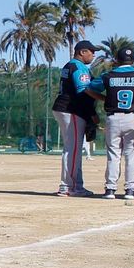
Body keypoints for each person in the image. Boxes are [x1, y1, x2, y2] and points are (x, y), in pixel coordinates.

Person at [88, 45, 134, 199]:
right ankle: (130, 189)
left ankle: (110, 189)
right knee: (132, 154)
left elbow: (90, 87)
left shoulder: (108, 75)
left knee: (113, 154)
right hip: (132, 117)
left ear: (117, 60)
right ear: (132, 59)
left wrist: (105, 98)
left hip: (113, 117)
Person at [51, 40, 100, 197]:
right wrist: (95, 109)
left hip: (65, 109)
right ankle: (68, 186)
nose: (93, 54)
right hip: (71, 110)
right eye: (91, 51)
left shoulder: (69, 65)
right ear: (82, 52)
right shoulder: (79, 67)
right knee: (72, 150)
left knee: (73, 149)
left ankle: (75, 185)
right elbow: (84, 91)